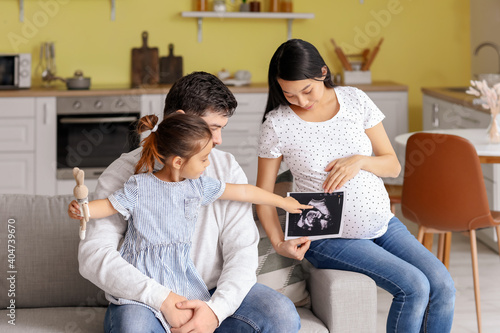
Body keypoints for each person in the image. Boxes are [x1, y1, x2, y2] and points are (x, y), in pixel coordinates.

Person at [256, 39, 456, 333]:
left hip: (383, 224)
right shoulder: (277, 124)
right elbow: (263, 195)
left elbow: (392, 164)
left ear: (322, 72)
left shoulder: (355, 100)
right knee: (413, 287)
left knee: (443, 285)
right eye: (289, 94)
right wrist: (278, 242)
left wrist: (360, 161)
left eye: (306, 90)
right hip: (326, 236)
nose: (300, 100)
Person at [78, 72, 301, 333]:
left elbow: (241, 250)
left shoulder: (224, 167)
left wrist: (215, 312)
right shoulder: (124, 174)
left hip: (212, 292)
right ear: (181, 120)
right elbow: (94, 255)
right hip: (146, 300)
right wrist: (162, 299)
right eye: (213, 128)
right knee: (133, 327)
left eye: (221, 128)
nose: (218, 140)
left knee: (281, 314)